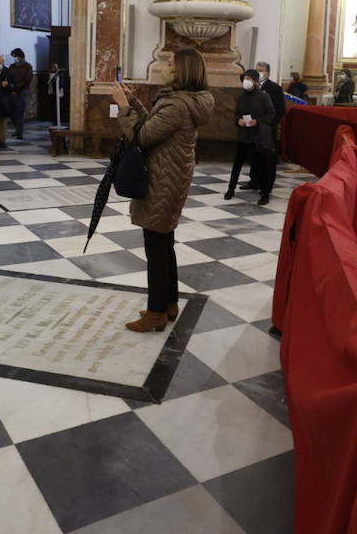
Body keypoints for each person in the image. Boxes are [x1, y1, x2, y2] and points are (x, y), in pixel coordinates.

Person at [112, 49, 215, 333]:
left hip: (163, 179)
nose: (165, 67)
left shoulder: (178, 105)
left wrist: (122, 108)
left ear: (182, 70)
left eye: (170, 64)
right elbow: (153, 125)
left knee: (156, 247)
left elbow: (142, 136)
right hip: (169, 177)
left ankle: (156, 312)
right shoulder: (183, 101)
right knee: (163, 243)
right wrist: (132, 100)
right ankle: (168, 303)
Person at [227, 69, 276, 206]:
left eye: (248, 78)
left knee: (262, 164)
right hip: (244, 135)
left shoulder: (263, 96)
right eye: (244, 78)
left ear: (255, 81)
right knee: (238, 163)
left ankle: (265, 194)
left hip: (258, 135)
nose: (246, 81)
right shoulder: (241, 97)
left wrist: (258, 121)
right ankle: (231, 189)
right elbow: (237, 114)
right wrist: (238, 121)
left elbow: (271, 114)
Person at [245, 61, 285, 192]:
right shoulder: (252, 88)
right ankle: (254, 181)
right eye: (256, 70)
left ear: (267, 73)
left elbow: (280, 110)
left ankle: (266, 185)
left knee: (267, 158)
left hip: (267, 129)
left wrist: (268, 124)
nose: (258, 73)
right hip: (252, 128)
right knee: (254, 156)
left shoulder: (275, 88)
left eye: (260, 70)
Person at [8, 47, 33, 140]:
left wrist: (17, 89)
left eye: (15, 56)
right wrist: (11, 88)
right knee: (11, 111)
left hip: (22, 91)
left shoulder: (28, 66)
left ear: (20, 56)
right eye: (12, 57)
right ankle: (17, 128)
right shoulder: (12, 66)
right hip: (12, 91)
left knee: (20, 112)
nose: (14, 58)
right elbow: (8, 77)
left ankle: (20, 132)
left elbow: (28, 80)